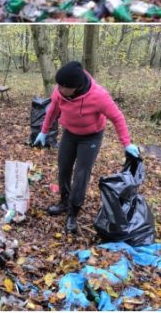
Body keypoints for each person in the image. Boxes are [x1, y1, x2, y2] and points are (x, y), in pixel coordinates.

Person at [32, 61, 136, 234]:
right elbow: (52, 111)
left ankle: (73, 212)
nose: (58, 89)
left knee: (81, 174)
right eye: (58, 84)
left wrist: (127, 143)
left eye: (63, 86)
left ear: (75, 87)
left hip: (91, 137)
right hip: (69, 133)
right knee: (64, 168)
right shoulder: (60, 92)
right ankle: (64, 201)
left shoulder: (99, 96)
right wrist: (43, 131)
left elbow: (117, 117)